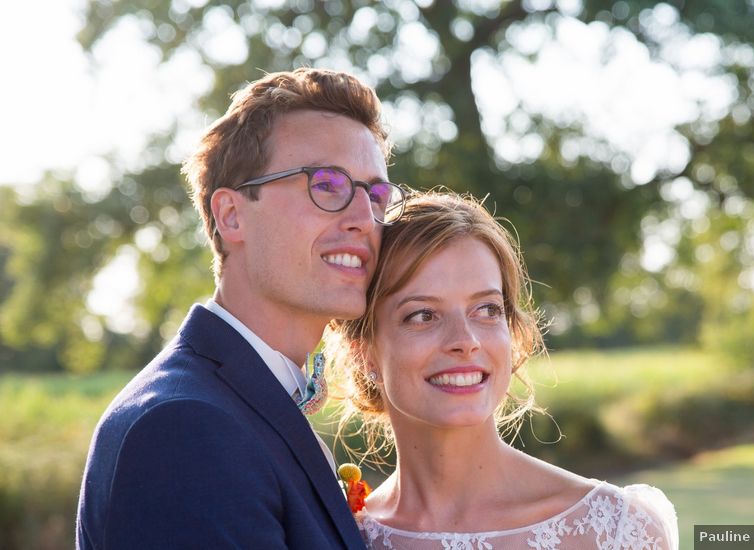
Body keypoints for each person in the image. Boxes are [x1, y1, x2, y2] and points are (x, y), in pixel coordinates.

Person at [76, 68, 407, 549]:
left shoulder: (242, 402)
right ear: (231, 215)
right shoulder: (184, 430)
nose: (364, 220)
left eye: (376, 195)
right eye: (327, 184)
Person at [326, 192, 678, 549]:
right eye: (423, 315)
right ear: (363, 353)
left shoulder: (618, 530)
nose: (466, 341)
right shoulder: (338, 534)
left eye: (487, 309)